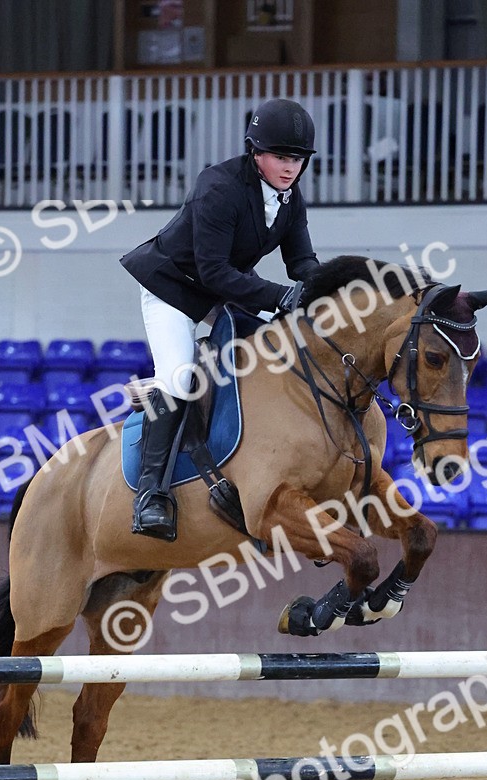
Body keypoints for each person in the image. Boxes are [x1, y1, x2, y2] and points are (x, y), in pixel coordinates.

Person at [120, 98, 320, 541]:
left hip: (225, 288)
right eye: (282, 158)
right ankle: (151, 496)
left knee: (278, 347)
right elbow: (213, 271)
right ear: (256, 153)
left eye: (298, 159)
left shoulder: (290, 198)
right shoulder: (218, 187)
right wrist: (281, 297)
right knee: (177, 379)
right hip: (173, 287)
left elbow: (302, 260)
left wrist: (328, 291)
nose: (291, 168)